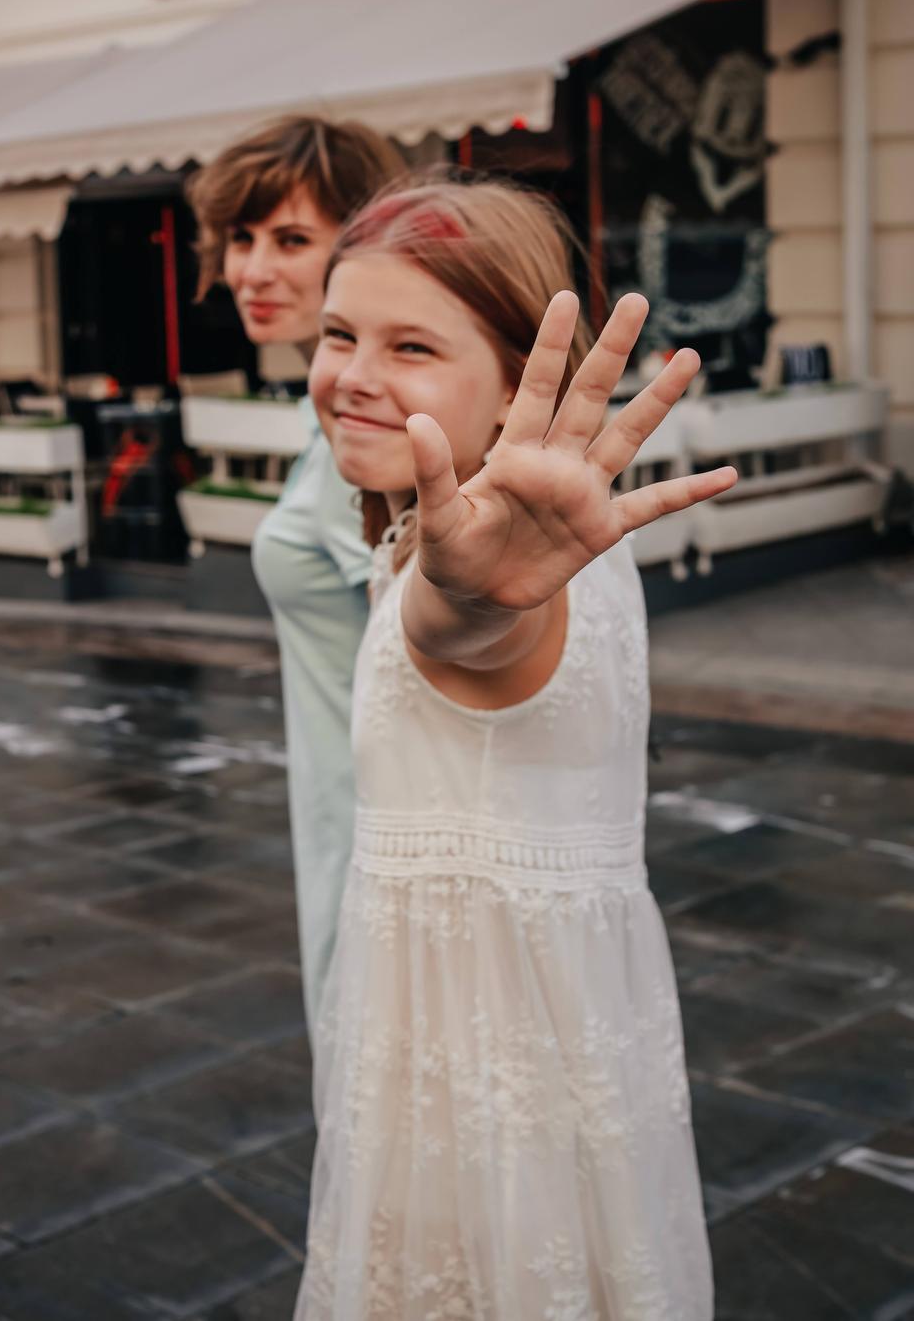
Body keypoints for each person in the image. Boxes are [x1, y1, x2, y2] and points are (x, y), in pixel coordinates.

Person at [294, 178, 736, 1319]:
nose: (352, 374)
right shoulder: (531, 542)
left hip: (477, 1115)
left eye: (413, 347)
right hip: (556, 1062)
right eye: (339, 333)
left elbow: (475, 630)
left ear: (512, 389)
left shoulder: (501, 571)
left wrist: (463, 589)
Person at [187, 117, 404, 1036]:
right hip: (338, 810)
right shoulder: (336, 421)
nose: (252, 269)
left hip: (373, 823)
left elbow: (425, 647)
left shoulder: (366, 436)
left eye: (290, 240)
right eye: (242, 238)